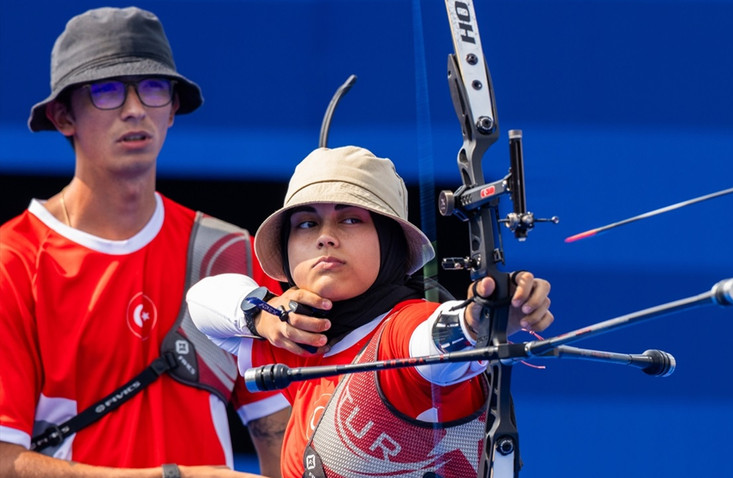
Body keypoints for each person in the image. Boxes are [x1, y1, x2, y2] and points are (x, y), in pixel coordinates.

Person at [0, 7, 290, 478]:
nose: (135, 108)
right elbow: (4, 462)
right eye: (107, 90)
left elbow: (278, 431)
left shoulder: (227, 253)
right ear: (62, 116)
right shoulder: (12, 262)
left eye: (153, 88)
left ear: (173, 109)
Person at [187, 145, 555, 477]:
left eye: (350, 219)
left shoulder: (402, 328)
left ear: (390, 242)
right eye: (307, 223)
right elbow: (201, 303)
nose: (325, 236)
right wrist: (261, 316)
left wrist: (478, 319)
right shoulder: (302, 340)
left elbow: (433, 340)